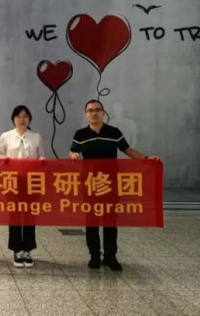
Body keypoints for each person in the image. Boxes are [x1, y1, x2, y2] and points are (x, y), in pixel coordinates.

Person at [69, 99, 160, 272]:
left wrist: (146, 158)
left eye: (97, 110)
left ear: (103, 113)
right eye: (90, 110)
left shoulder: (114, 132)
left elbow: (128, 150)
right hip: (89, 184)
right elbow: (73, 151)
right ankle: (94, 256)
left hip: (110, 184)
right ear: (86, 114)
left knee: (110, 221)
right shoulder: (80, 134)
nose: (94, 113)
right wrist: (73, 155)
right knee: (91, 221)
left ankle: (110, 256)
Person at [0, 105, 44, 268]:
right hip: (12, 181)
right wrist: (4, 160)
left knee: (30, 215)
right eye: (18, 116)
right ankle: (17, 249)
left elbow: (41, 155)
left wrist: (41, 160)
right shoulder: (6, 136)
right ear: (13, 119)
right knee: (15, 215)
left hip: (31, 181)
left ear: (29, 119)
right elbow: (0, 155)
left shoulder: (36, 136)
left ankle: (28, 250)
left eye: (25, 116)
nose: (22, 119)